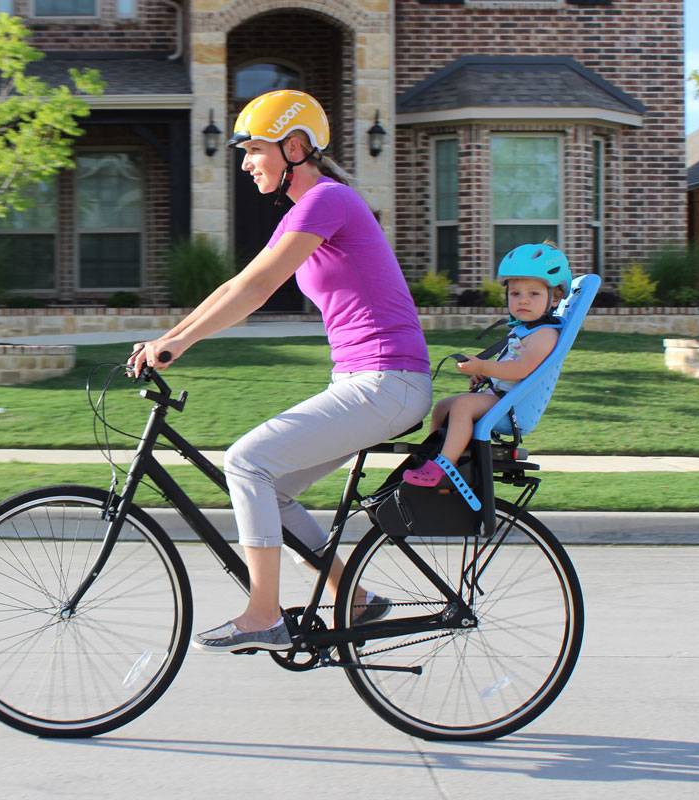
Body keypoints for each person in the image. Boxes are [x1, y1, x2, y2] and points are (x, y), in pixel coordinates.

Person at [129, 90, 432, 653]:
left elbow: (256, 288)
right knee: (275, 491)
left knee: (247, 462)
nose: (245, 162)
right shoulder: (308, 210)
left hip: (386, 381)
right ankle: (355, 598)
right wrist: (170, 340)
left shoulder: (328, 200)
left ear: (295, 147)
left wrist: (180, 343)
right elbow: (239, 285)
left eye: (255, 150)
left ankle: (263, 614)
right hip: (369, 383)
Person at [402, 242, 571, 490]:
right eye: (515, 294)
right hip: (501, 396)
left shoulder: (544, 334)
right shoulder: (527, 330)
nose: (523, 300)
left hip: (511, 407)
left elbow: (520, 370)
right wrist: (485, 377)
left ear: (554, 298)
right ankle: (434, 454)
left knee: (461, 406)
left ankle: (445, 468)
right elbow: (509, 366)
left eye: (533, 294)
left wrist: (483, 367)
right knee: (443, 406)